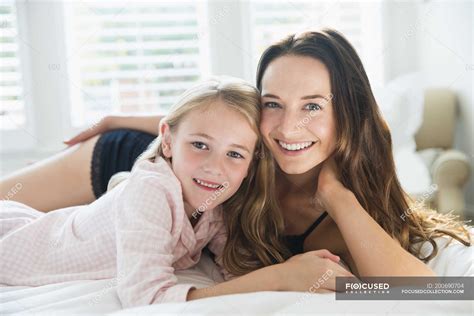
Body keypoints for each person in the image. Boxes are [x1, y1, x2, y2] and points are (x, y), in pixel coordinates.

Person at [1, 29, 471, 288]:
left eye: (312, 106)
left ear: (347, 112)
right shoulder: (239, 160)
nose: (288, 129)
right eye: (273, 104)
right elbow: (205, 126)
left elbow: (425, 293)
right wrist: (122, 119)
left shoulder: (350, 197)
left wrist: (336, 196)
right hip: (123, 157)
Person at [1, 77, 347, 307]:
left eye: (235, 154)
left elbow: (234, 268)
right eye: (200, 145)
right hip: (16, 245)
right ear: (167, 140)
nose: (215, 166)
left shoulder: (215, 201)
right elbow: (146, 297)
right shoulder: (153, 191)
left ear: (252, 163)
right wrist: (279, 278)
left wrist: (302, 278)